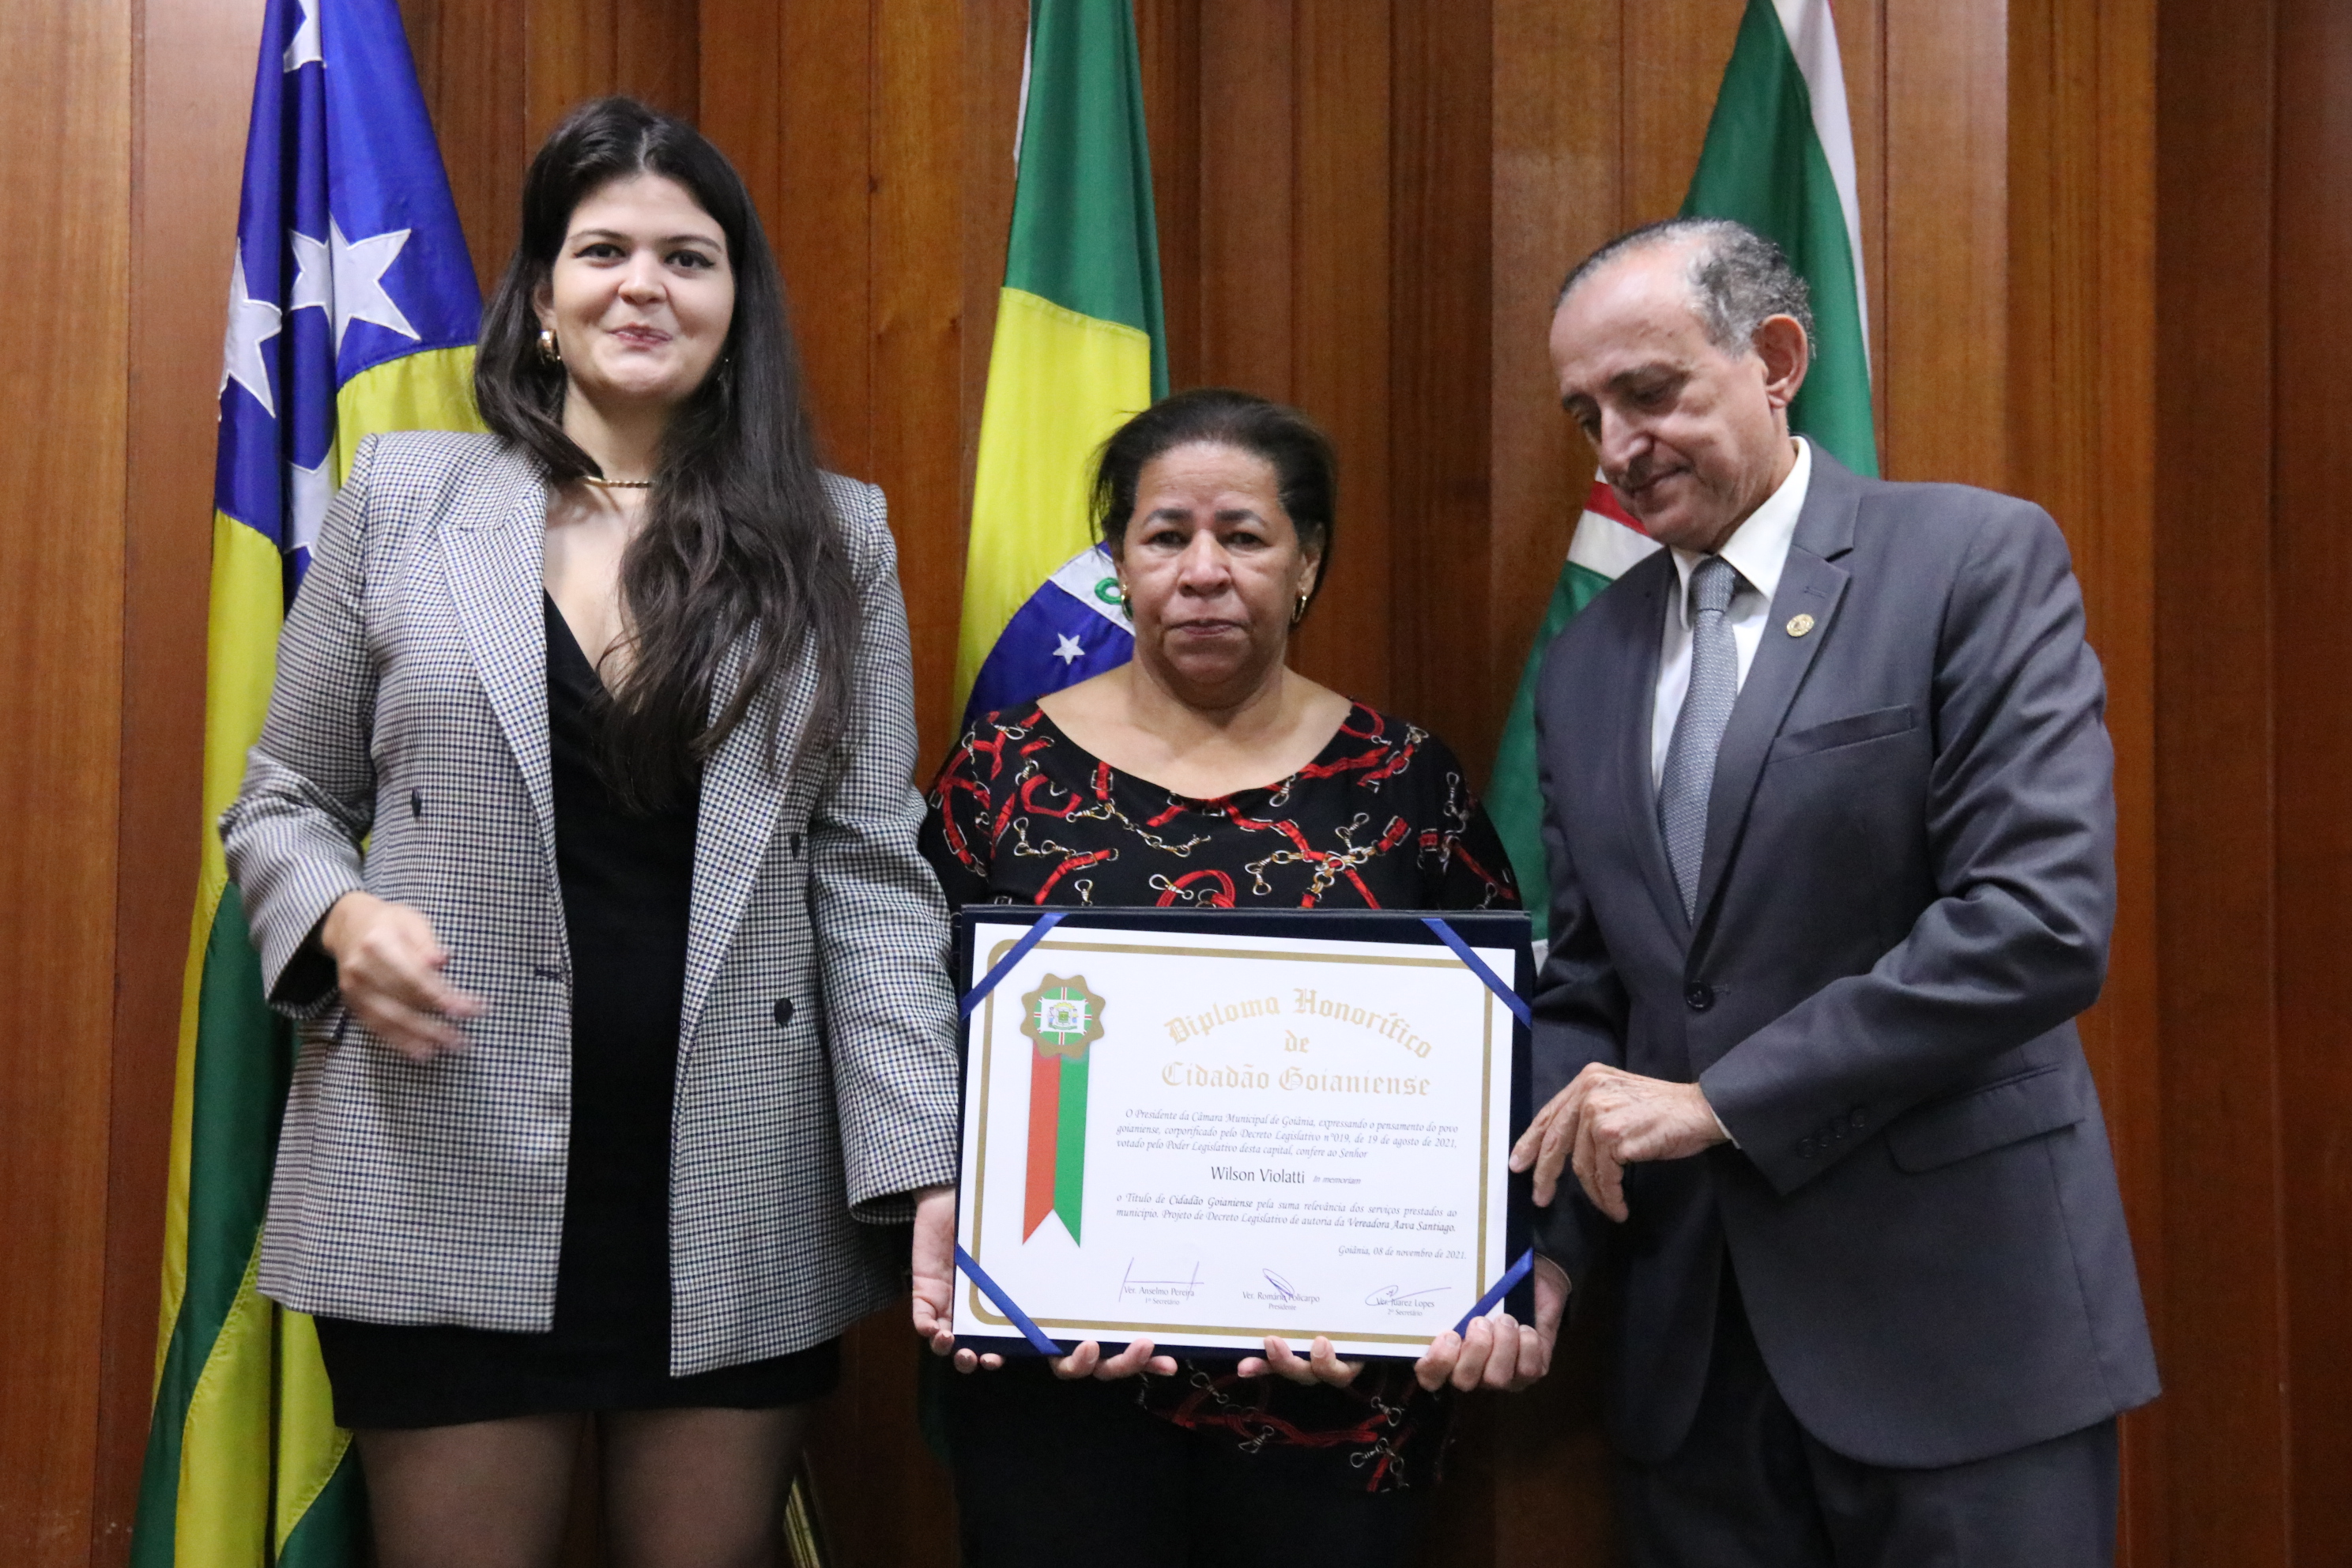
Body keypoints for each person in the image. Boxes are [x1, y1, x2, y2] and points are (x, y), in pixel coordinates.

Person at [220, 98, 961, 1567]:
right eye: (603, 250)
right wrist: (342, 922)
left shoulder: (837, 535)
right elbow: (285, 797)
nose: (644, 286)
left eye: (689, 257)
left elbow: (869, 866)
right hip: (439, 1155)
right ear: (544, 300)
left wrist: (924, 1157)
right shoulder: (403, 500)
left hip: (738, 1180)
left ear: (736, 307)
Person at [1506, 215, 2160, 1566]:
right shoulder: (1588, 663)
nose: (1617, 447)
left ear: (1776, 359)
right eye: (1586, 415)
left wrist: (1718, 1102)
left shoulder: (1969, 560)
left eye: (1649, 392)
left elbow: (2035, 925)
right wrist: (1544, 1250)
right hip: (1694, 1360)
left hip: (1959, 1331)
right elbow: (1590, 986)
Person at [905, 387, 1566, 1567]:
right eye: (1166, 535)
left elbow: (1506, 1056)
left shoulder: (1405, 780)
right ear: (1119, 563)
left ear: (1307, 561)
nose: (1203, 571)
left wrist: (1454, 1278)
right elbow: (907, 1021)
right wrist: (973, 1227)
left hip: (1340, 1390)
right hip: (1059, 1377)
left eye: (1244, 536)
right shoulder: (1003, 771)